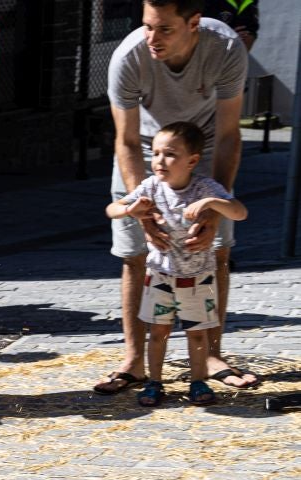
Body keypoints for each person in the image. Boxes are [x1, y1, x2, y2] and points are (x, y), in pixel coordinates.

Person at [96, 0, 255, 395]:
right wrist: (143, 211)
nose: (152, 38)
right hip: (146, 149)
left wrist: (215, 208)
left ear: (193, 23)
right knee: (136, 255)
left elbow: (229, 134)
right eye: (148, 26)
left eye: (165, 29)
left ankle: (212, 356)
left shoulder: (226, 47)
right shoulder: (128, 57)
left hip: (203, 145)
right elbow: (126, 140)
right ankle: (134, 361)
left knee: (216, 251)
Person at [105, 122, 247, 407]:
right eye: (156, 153)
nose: (159, 160)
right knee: (158, 332)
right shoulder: (150, 186)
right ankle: (154, 383)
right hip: (160, 276)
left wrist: (212, 202)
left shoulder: (204, 188)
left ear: (192, 161)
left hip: (197, 278)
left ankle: (198, 381)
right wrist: (130, 209)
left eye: (170, 154)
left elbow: (239, 212)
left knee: (197, 334)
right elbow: (112, 209)